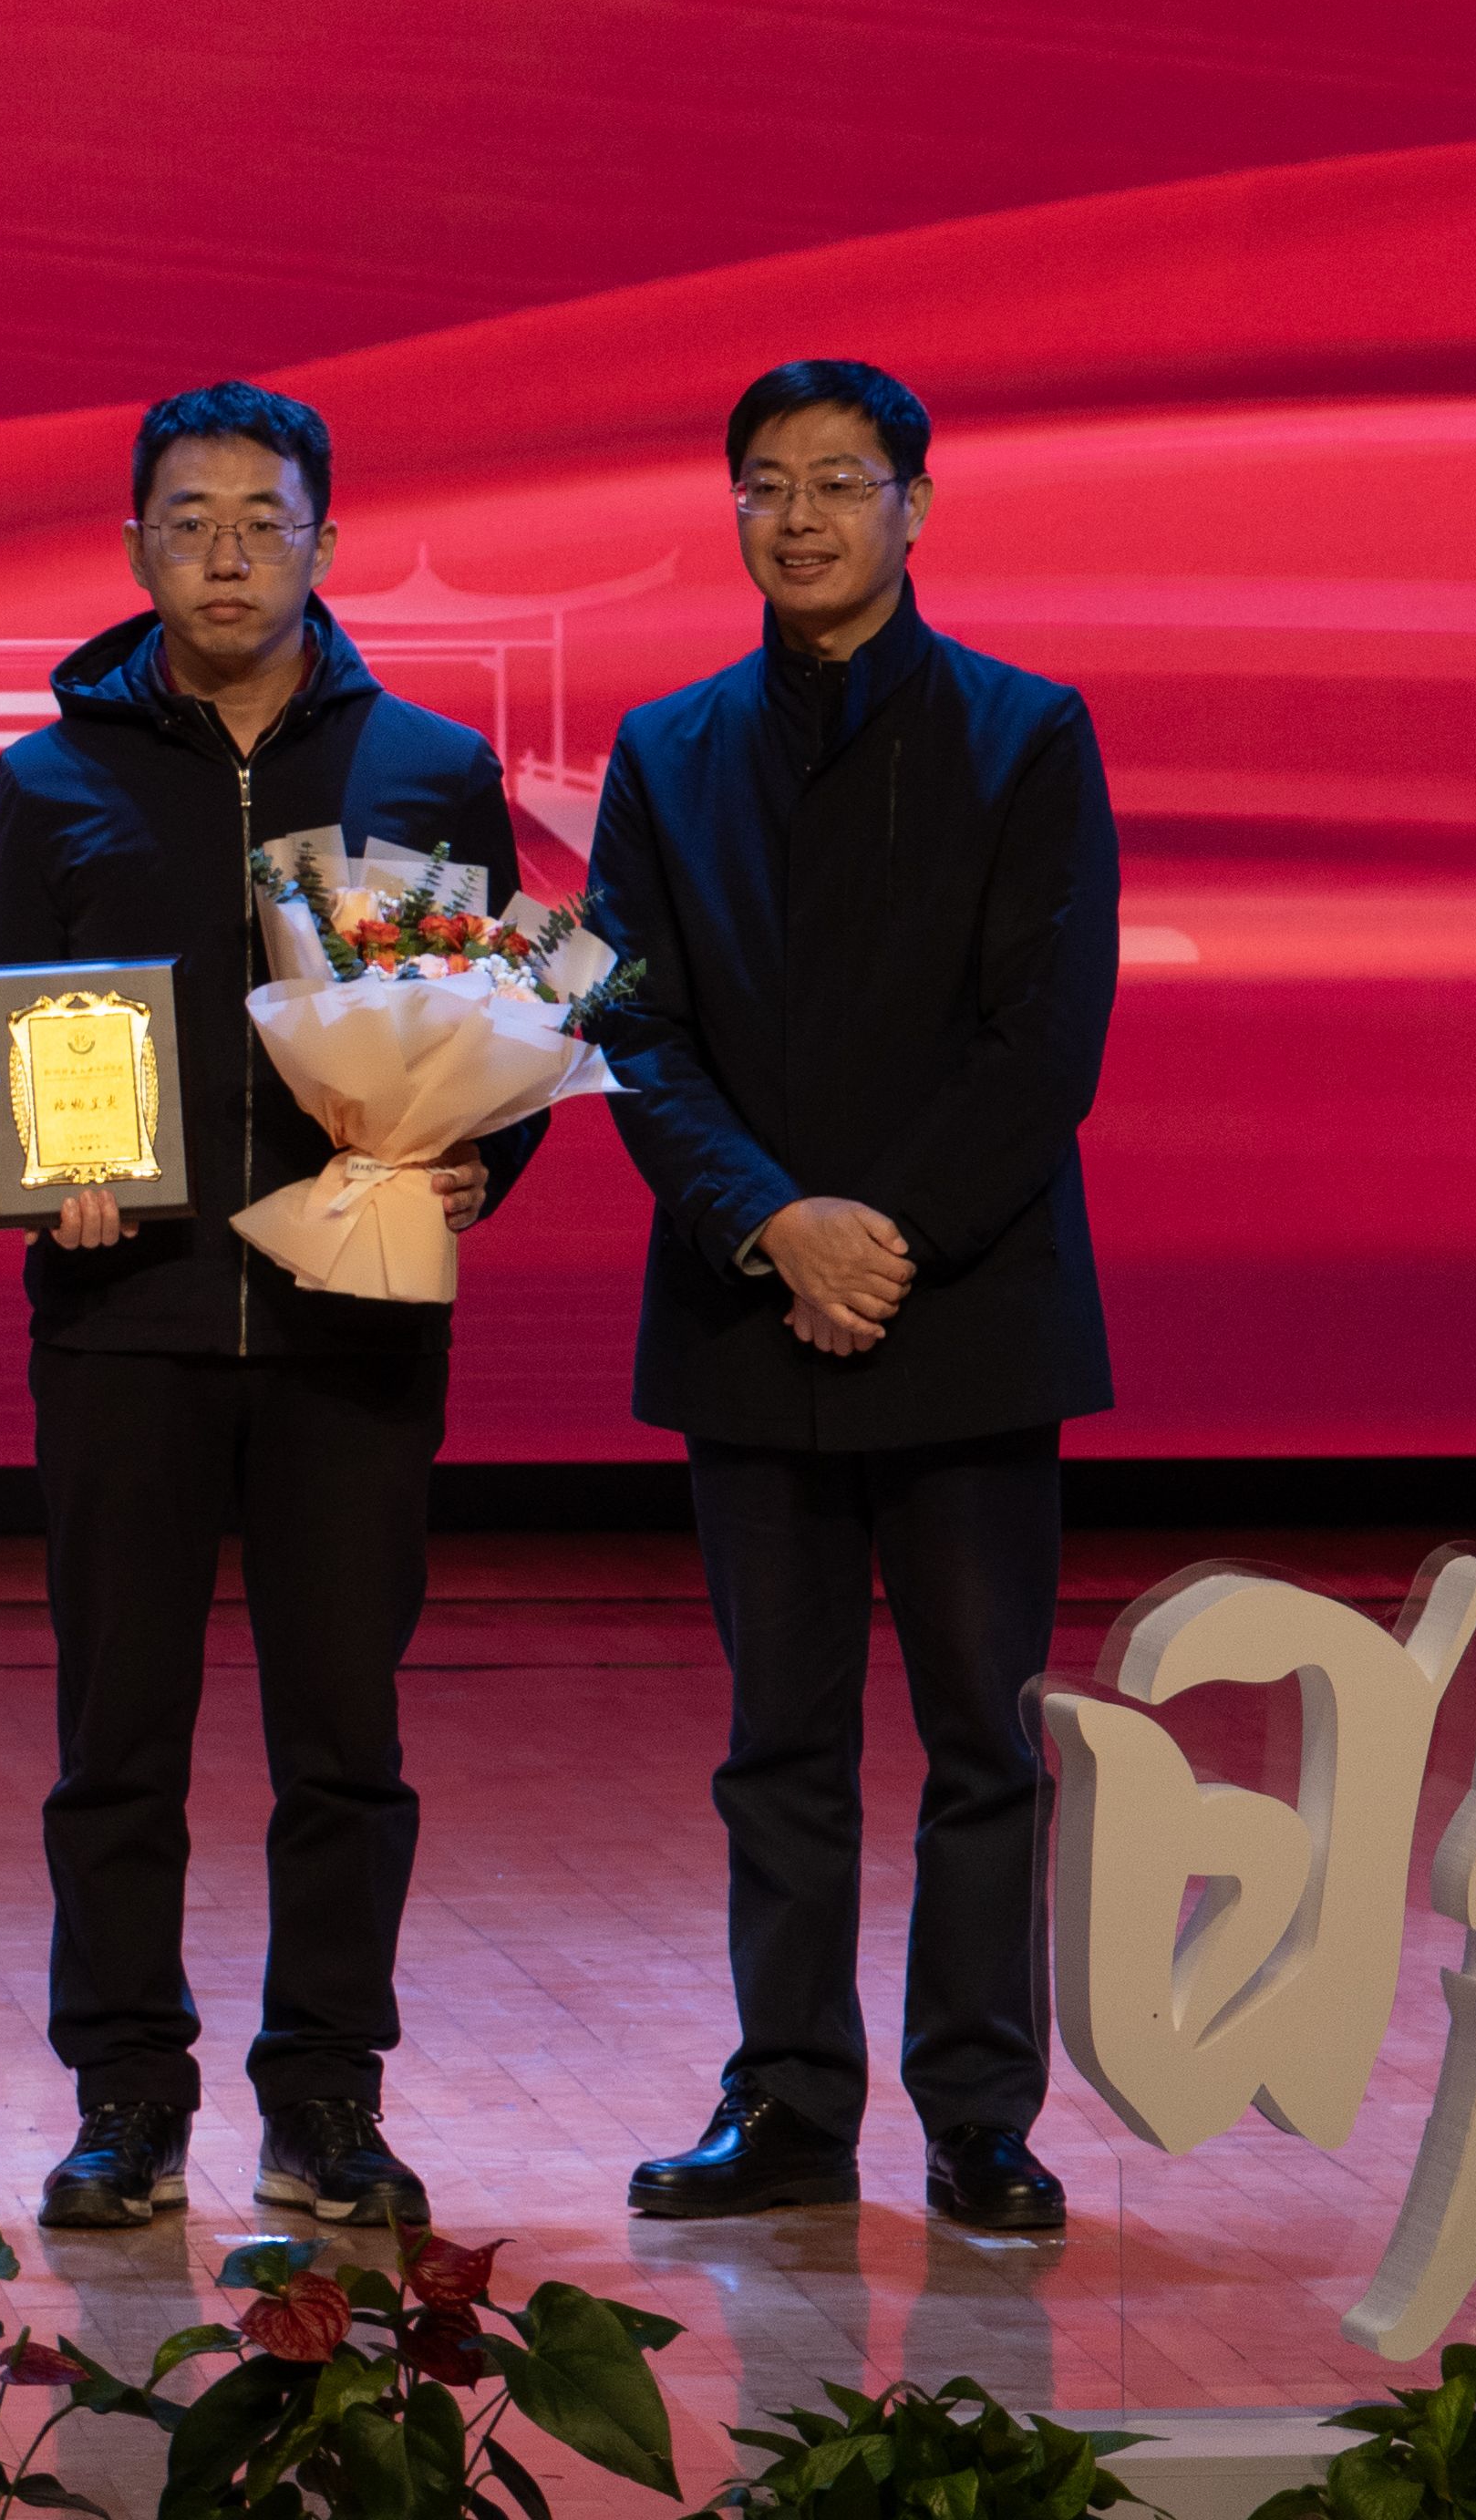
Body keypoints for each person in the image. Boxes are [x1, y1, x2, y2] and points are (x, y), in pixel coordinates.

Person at [0, 383, 542, 2239]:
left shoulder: (429, 767)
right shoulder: (52, 775)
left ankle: (327, 2098)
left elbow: (500, 1021)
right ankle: (126, 2098)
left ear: (324, 542)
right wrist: (38, 1156)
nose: (226, 554)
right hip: (121, 1313)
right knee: (115, 1744)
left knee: (345, 1745)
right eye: (190, 520)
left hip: (352, 1320)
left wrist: (477, 1164)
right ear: (136, 545)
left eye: (262, 520)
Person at [596, 360, 1114, 2237]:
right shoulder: (667, 749)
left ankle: (981, 2111)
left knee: (984, 1741)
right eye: (765, 483)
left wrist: (876, 1240)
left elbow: (1043, 1039)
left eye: (837, 480)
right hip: (753, 1311)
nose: (798, 516)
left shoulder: (1023, 732)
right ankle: (790, 2102)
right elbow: (634, 1027)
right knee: (779, 1749)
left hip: (963, 1314)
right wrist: (774, 1226)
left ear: (916, 504)